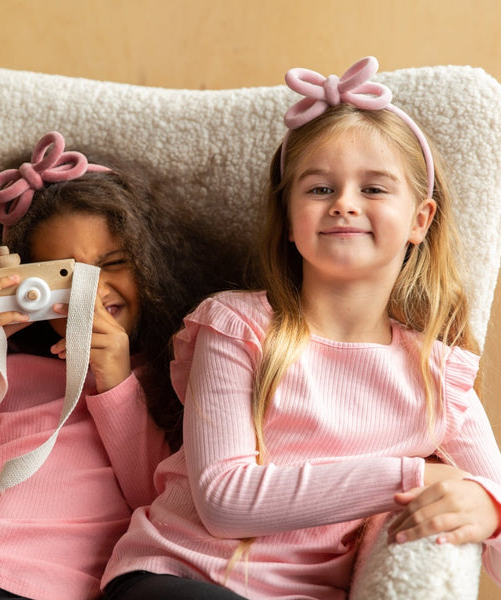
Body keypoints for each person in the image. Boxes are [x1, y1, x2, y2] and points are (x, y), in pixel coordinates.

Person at [100, 57, 501, 600]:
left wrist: (489, 512)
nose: (344, 204)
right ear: (289, 220)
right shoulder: (237, 327)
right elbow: (223, 502)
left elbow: (490, 505)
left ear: (420, 221)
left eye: (375, 189)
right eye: (319, 189)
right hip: (176, 577)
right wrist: (412, 478)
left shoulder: (437, 375)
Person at [0, 131, 243, 600]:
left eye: (115, 263)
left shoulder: (181, 378)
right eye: (61, 274)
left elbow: (165, 515)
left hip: (47, 586)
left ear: (153, 265)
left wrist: (117, 386)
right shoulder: (1, 375)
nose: (91, 291)